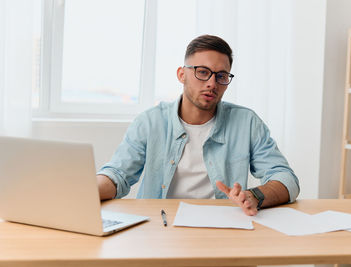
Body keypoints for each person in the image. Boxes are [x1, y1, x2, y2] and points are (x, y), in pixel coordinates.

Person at [96, 34, 299, 216]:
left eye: (221, 76)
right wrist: (83, 191)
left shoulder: (246, 122)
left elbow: (286, 179)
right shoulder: (150, 122)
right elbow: (117, 175)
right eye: (202, 72)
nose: (212, 83)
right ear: (181, 74)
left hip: (224, 228)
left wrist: (255, 195)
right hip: (160, 227)